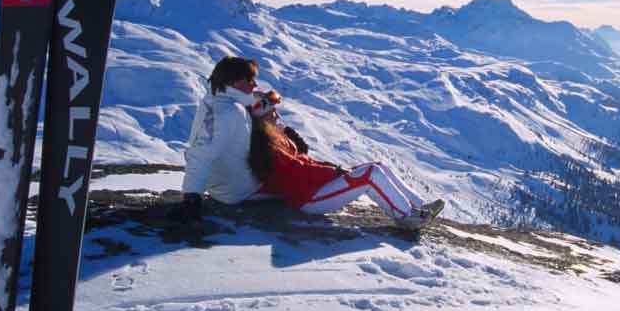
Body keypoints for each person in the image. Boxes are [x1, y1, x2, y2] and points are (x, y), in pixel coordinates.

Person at [247, 91, 445, 228]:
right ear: (261, 120)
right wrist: (334, 173)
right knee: (370, 175)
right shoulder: (266, 146)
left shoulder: (275, 138)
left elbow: (304, 160)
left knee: (377, 166)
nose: (277, 116)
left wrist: (334, 169)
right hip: (307, 199)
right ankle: (406, 217)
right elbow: (298, 170)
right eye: (272, 114)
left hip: (310, 189)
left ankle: (419, 205)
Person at [181, 56, 263, 207]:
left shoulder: (214, 101)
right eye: (250, 80)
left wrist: (257, 100)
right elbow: (201, 156)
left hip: (226, 186)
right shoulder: (227, 111)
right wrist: (192, 197)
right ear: (235, 82)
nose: (255, 85)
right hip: (239, 190)